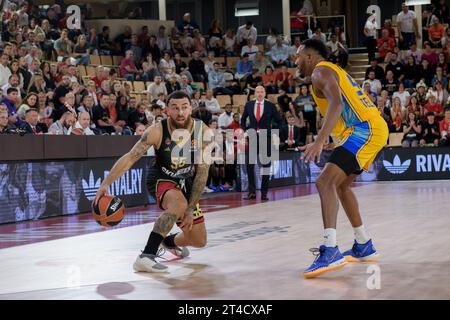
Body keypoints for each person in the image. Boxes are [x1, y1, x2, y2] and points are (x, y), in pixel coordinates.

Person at [296, 39, 389, 278]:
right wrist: (330, 139)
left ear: (309, 57)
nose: (295, 61)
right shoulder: (332, 70)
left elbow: (336, 104)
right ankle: (363, 244)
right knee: (341, 186)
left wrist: (318, 141)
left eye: (297, 56)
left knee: (324, 182)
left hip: (363, 129)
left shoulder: (320, 72)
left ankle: (331, 250)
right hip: (365, 129)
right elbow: (343, 105)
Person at [94, 91, 212, 273]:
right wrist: (105, 183)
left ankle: (168, 241)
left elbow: (202, 172)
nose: (180, 112)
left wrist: (191, 208)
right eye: (175, 108)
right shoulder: (157, 131)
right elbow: (130, 157)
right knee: (179, 204)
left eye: (184, 107)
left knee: (199, 240)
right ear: (167, 111)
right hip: (161, 178)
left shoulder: (202, 131)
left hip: (185, 181)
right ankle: (146, 256)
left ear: (191, 108)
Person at [240, 86, 282, 201]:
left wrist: (273, 133)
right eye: (257, 92)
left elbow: (279, 121)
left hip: (266, 138)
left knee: (266, 166)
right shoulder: (249, 105)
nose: (259, 94)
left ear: (265, 93)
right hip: (252, 137)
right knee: (249, 165)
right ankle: (251, 192)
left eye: (262, 92)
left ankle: (264, 193)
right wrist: (245, 131)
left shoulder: (270, 106)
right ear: (255, 93)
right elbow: (243, 119)